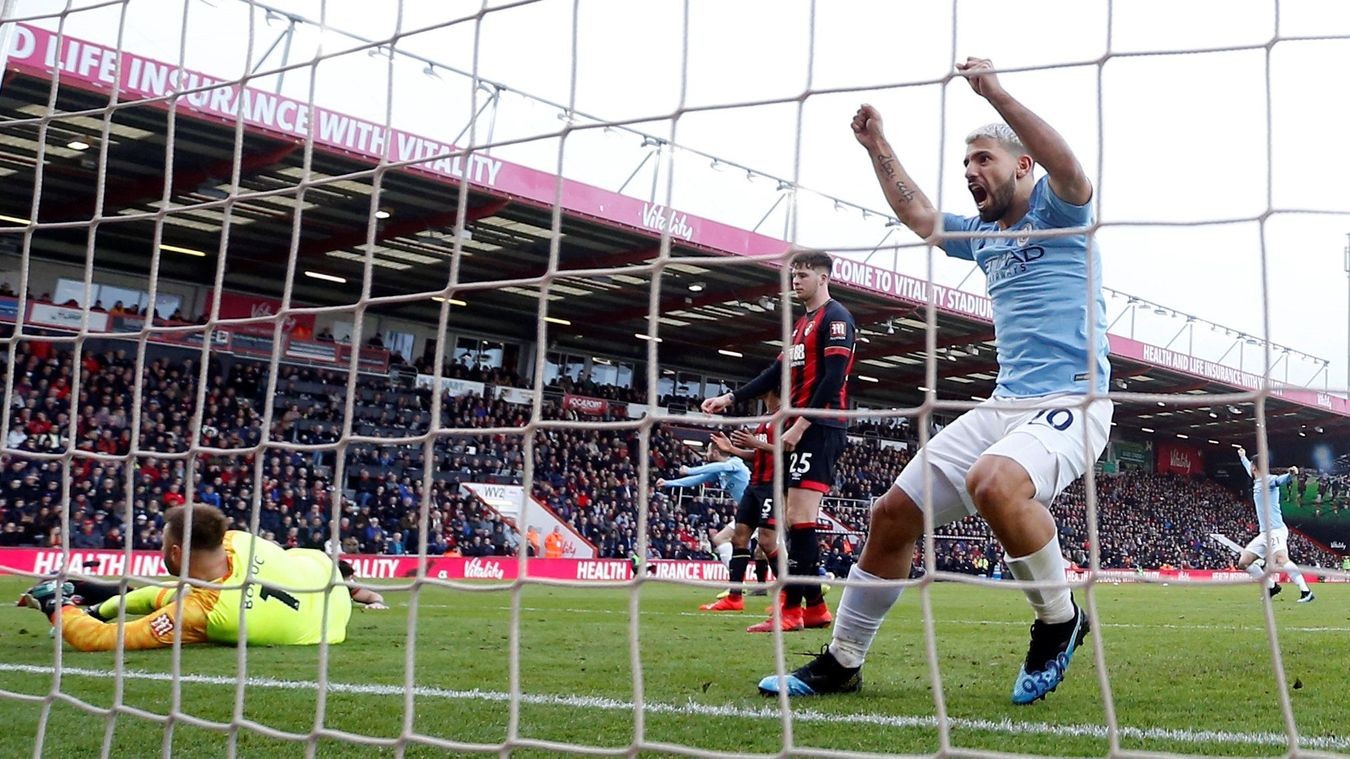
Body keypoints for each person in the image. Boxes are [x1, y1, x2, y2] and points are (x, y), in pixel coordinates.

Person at [760, 58, 1114, 703]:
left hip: (1075, 399)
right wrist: (877, 146)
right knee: (891, 515)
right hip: (1007, 404)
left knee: (992, 482)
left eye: (983, 160)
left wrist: (997, 94)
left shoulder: (1060, 208)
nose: (973, 172)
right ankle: (841, 661)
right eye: (967, 165)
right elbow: (919, 214)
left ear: (1020, 164)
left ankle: (1059, 621)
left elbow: (1069, 167)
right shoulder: (980, 235)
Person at [702, 250, 855, 633]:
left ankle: (790, 610)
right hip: (804, 426)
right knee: (792, 519)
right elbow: (774, 371)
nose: (796, 281)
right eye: (793, 275)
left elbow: (834, 377)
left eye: (803, 274)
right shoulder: (801, 325)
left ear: (823, 277)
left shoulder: (836, 318)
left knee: (799, 519)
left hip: (820, 427)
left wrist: (802, 424)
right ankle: (816, 607)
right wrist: (730, 398)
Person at [17, 505, 352, 650]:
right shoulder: (236, 539)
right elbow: (164, 596)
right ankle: (100, 602)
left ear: (176, 553)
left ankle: (76, 598)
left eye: (164, 544)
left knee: (181, 598)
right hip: (324, 576)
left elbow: (104, 641)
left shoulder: (204, 613)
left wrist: (56, 605)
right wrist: (99, 610)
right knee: (178, 593)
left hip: (326, 618)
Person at [697, 389, 784, 611]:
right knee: (739, 539)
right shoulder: (765, 418)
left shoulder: (786, 416)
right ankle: (734, 597)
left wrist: (756, 442)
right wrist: (732, 449)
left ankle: (787, 595)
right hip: (754, 486)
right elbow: (759, 455)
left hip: (773, 486)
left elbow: (789, 451)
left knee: (766, 542)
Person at [1235, 447, 1314, 603]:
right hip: (1265, 533)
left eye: (1250, 464)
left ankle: (1306, 591)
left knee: (1282, 558)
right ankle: (1272, 587)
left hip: (1276, 530)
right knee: (1243, 562)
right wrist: (1242, 457)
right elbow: (1248, 468)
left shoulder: (1269, 480)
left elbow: (1281, 480)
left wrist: (1291, 474)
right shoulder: (1256, 479)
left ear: (1254, 466)